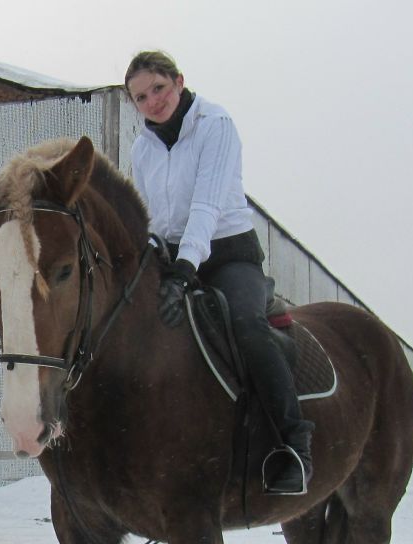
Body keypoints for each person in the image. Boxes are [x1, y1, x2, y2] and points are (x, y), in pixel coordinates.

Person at [124, 50, 313, 495]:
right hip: (173, 259)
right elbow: (150, 220)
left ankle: (294, 444)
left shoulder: (215, 124)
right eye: (141, 97)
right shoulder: (141, 149)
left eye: (158, 88)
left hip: (228, 255)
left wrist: (185, 269)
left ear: (179, 82)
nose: (152, 102)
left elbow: (206, 206)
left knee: (246, 326)